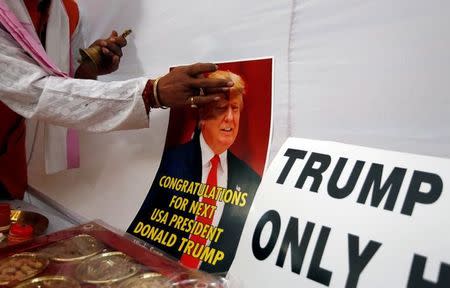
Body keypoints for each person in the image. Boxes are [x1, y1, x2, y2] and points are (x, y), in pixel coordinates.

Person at [0, 0, 233, 200]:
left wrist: (88, 69)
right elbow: (35, 89)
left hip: (12, 164)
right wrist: (151, 93)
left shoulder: (66, 11)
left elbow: (63, 81)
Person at [128, 70, 262, 274]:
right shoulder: (167, 162)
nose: (229, 118)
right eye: (220, 108)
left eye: (234, 109)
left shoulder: (251, 180)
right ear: (202, 115)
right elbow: (136, 233)